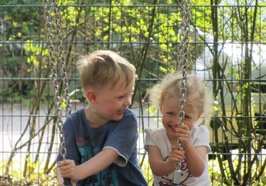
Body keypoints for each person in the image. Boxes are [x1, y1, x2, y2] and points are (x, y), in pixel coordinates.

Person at [57, 50, 147, 186]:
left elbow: (109, 155)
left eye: (130, 94)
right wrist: (65, 180)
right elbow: (64, 165)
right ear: (92, 97)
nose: (128, 102)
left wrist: (77, 172)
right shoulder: (73, 124)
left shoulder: (127, 120)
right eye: (121, 97)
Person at [144, 72, 212, 186]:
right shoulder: (154, 138)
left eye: (186, 117)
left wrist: (187, 144)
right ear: (161, 107)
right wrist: (170, 163)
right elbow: (156, 168)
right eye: (170, 113)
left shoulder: (200, 135)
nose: (177, 122)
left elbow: (198, 171)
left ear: (198, 115)